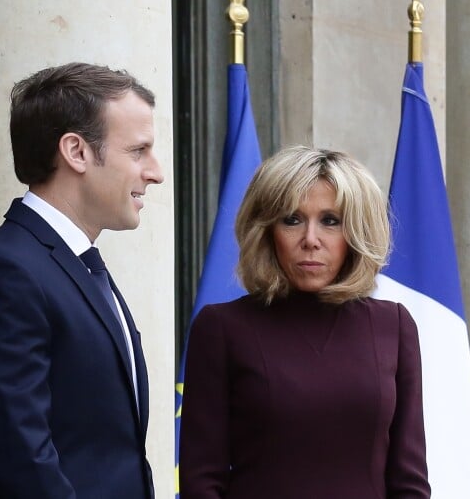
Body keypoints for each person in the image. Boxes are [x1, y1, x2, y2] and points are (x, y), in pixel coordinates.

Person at [0, 62, 164, 498]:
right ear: (76, 151)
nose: (156, 171)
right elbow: (18, 465)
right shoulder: (4, 273)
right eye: (138, 151)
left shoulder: (74, 264)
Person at [179, 145, 430, 499]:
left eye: (330, 221)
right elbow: (201, 482)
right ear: (266, 230)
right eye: (292, 219)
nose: (310, 240)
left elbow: (410, 482)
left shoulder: (394, 326)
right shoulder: (222, 328)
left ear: (356, 232)